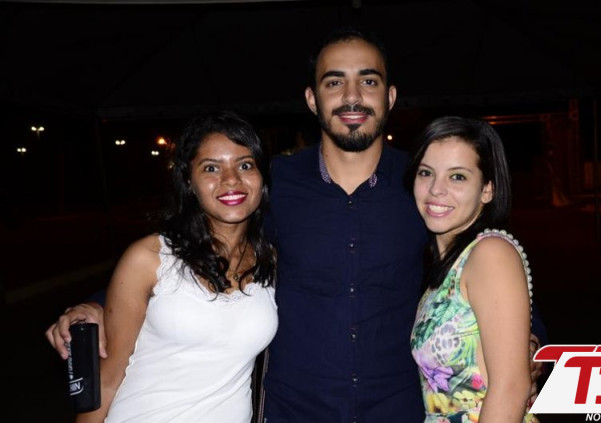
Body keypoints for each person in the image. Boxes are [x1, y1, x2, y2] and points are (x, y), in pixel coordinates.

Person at [46, 27, 543, 423]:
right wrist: (98, 303)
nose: (352, 96)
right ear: (311, 99)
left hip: (398, 410)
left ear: (390, 96)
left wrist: (531, 337)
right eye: (334, 82)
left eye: (368, 81)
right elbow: (193, 248)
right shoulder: (271, 185)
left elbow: (473, 263)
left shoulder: (421, 186)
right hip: (295, 411)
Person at [49, 111, 278, 422]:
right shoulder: (150, 257)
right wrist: (91, 306)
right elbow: (107, 378)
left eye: (245, 165)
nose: (231, 179)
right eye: (211, 167)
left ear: (262, 176)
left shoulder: (270, 262)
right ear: (189, 181)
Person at [406, 116, 539, 422]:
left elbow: (511, 388)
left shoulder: (490, 254)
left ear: (487, 189)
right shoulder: (447, 268)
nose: (436, 189)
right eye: (426, 173)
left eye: (457, 177)